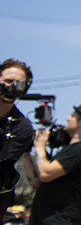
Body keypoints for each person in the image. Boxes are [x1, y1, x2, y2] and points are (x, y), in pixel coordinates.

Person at [28, 100, 81, 225]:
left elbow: (46, 173)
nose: (67, 118)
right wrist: (25, 154)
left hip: (59, 220)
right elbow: (37, 182)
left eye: (72, 116)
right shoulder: (70, 149)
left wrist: (39, 147)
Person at [0, 60, 36, 222]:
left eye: (19, 84)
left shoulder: (22, 126)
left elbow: (6, 164)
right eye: (8, 81)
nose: (12, 87)